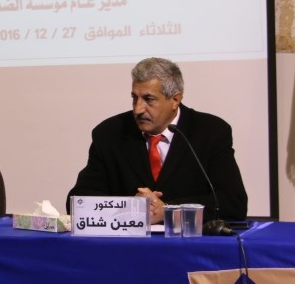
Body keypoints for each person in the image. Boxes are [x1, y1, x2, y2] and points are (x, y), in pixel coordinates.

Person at [67, 57, 248, 220]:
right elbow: (78, 201)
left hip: (187, 243)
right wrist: (131, 207)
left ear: (175, 100)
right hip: (128, 243)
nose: (138, 109)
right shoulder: (110, 133)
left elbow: (233, 202)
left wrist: (168, 210)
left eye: (149, 99)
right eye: (135, 98)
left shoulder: (210, 132)